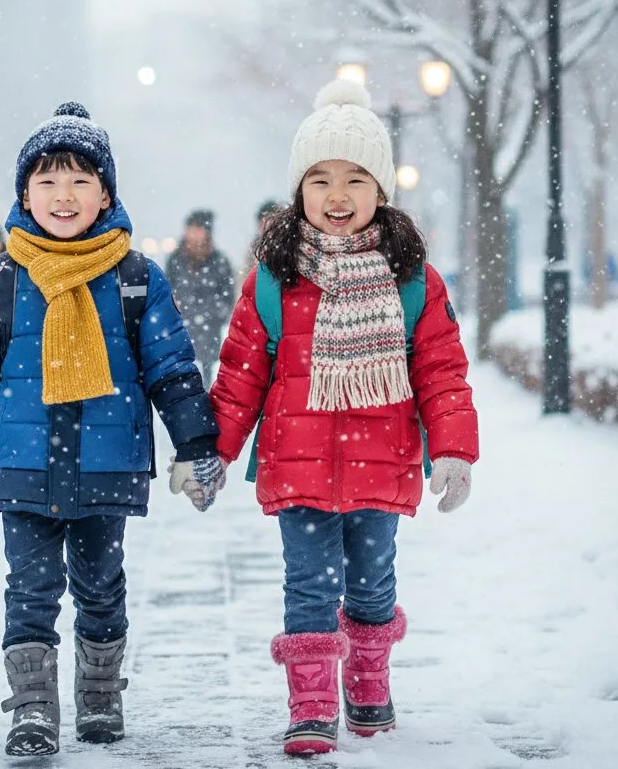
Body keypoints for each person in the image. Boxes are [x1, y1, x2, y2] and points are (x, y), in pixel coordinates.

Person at [171, 79, 479, 756]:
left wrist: (453, 449)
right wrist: (210, 452)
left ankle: (367, 683)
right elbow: (239, 377)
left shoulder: (412, 280)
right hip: (295, 461)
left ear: (379, 191)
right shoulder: (272, 279)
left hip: (380, 459)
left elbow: (440, 371)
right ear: (297, 191)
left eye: (354, 179)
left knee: (372, 582)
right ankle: (310, 704)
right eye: (319, 180)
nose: (336, 197)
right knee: (307, 583)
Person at [0, 102, 221, 758]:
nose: (63, 195)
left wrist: (194, 445)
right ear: (24, 194)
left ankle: (98, 695)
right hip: (21, 459)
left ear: (106, 193)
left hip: (105, 459)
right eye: (47, 181)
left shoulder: (135, 276)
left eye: (79, 181)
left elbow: (171, 367)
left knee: (99, 586)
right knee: (28, 590)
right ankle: (32, 707)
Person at [165, 209, 235, 378]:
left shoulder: (219, 261)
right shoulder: (175, 260)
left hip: (209, 332)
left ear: (207, 232)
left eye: (198, 229)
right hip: (181, 329)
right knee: (180, 378)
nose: (193, 234)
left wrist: (212, 313)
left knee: (208, 379)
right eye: (190, 229)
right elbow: (166, 290)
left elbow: (227, 296)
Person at [237, 198, 283, 284]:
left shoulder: (288, 247)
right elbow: (244, 280)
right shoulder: (252, 251)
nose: (267, 226)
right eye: (263, 222)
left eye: (271, 221)